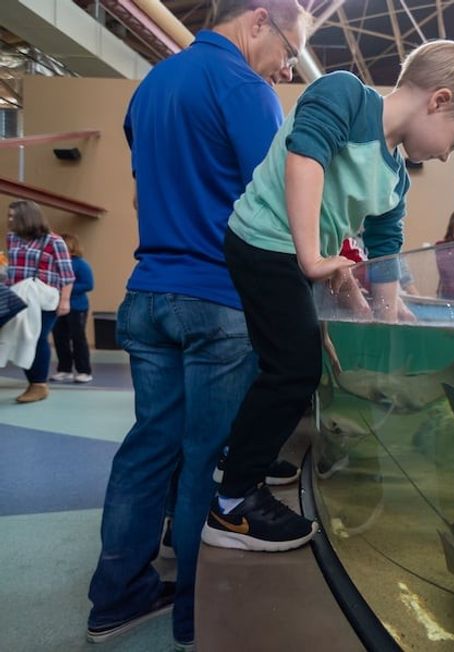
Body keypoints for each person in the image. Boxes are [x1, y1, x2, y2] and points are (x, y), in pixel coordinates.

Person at [204, 39, 454, 552]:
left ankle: (244, 455)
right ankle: (231, 507)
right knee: (294, 366)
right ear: (440, 100)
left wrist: (387, 317)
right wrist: (314, 261)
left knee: (285, 360)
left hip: (291, 256)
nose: (448, 153)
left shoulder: (396, 179)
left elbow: (385, 248)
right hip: (261, 238)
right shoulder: (344, 94)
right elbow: (306, 160)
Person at [87, 3, 310, 648]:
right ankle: (193, 616)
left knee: (148, 446)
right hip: (218, 299)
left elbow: (140, 192)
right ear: (258, 21)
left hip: (148, 292)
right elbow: (279, 211)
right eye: (289, 50)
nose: (287, 66)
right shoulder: (248, 92)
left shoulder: (151, 87)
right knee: (204, 460)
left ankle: (116, 598)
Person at [4, 200, 74, 403]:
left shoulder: (54, 241)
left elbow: (67, 275)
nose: (9, 219)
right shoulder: (12, 238)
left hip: (43, 300)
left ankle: (39, 384)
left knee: (37, 338)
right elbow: (12, 268)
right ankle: (32, 382)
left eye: (12, 216)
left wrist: (65, 301)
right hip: (16, 296)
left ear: (27, 217)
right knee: (21, 338)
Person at [51, 233, 94, 383]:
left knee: (78, 338)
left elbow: (88, 285)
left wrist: (66, 288)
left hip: (77, 307)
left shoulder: (81, 264)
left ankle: (84, 371)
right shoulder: (56, 263)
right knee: (59, 338)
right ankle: (65, 369)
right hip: (58, 307)